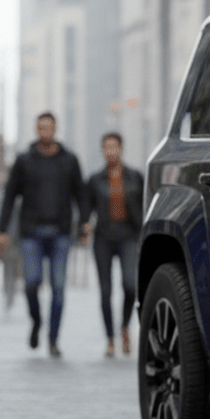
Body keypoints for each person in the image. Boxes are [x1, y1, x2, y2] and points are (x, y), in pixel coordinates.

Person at [0, 113, 87, 357]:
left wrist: (85, 224)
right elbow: (10, 196)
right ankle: (36, 321)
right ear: (36, 130)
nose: (45, 131)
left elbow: (80, 194)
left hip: (60, 233)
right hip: (31, 233)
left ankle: (53, 339)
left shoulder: (69, 160)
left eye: (49, 127)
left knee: (58, 288)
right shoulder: (25, 160)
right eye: (40, 127)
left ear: (55, 129)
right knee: (31, 283)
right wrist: (2, 230)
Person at [83, 133, 143, 357]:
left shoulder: (135, 177)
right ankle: (110, 338)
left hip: (128, 235)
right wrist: (85, 224)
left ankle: (125, 328)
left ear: (121, 148)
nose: (110, 151)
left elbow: (144, 203)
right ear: (102, 150)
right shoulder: (95, 179)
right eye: (106, 147)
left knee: (130, 285)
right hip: (104, 238)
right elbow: (86, 207)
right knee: (105, 291)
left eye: (114, 147)